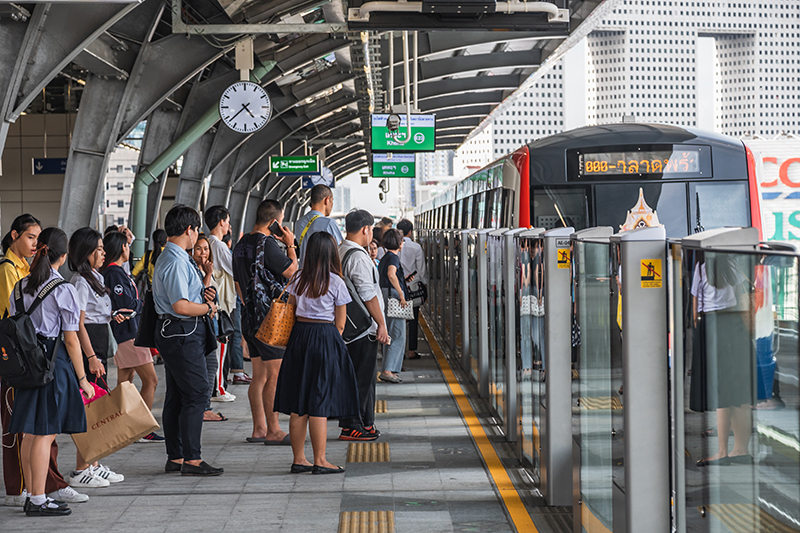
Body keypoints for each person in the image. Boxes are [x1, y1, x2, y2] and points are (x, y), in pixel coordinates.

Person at [7, 227, 96, 516]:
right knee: (45, 434)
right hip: (50, 365)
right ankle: (38, 499)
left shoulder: (19, 286)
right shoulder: (63, 289)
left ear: (41, 249)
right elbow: (71, 339)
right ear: (63, 255)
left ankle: (32, 494)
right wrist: (82, 379)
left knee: (29, 434)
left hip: (24, 366)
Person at [273, 232, 359, 474]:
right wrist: (332, 346)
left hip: (299, 337)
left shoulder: (297, 279)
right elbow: (340, 324)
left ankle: (299, 459)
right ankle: (320, 460)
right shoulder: (336, 282)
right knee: (319, 401)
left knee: (300, 402)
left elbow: (289, 311)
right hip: (325, 338)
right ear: (332, 253)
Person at [153, 204, 223, 476]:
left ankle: (177, 456)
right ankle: (191, 459)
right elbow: (181, 306)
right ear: (189, 230)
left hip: (181, 333)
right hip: (181, 332)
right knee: (196, 393)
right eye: (196, 230)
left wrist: (205, 277)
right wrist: (209, 309)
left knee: (178, 395)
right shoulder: (173, 261)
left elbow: (190, 297)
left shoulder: (180, 258)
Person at [233, 199, 295, 445]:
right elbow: (293, 273)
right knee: (274, 375)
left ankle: (259, 428)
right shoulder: (267, 244)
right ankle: (274, 430)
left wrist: (249, 308)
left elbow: (238, 284)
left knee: (258, 375)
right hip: (271, 318)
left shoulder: (240, 245)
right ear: (275, 222)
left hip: (249, 316)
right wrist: (290, 246)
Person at [67, 228, 125, 488]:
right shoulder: (80, 281)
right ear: (86, 251)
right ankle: (81, 468)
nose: (103, 253)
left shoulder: (94, 277)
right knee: (90, 410)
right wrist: (90, 356)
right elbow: (78, 324)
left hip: (100, 339)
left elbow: (94, 315)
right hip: (90, 344)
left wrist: (112, 316)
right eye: (99, 249)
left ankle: (94, 463)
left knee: (98, 406)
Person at [100, 232, 163, 443]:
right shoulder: (114, 273)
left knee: (125, 382)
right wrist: (142, 305)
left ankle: (120, 425)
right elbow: (126, 303)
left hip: (125, 334)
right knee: (151, 380)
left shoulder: (116, 272)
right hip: (128, 334)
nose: (130, 249)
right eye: (127, 245)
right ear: (120, 249)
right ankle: (141, 428)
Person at [337, 210, 390, 441]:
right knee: (359, 378)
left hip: (351, 327)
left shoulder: (341, 249)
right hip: (361, 329)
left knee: (366, 378)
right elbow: (368, 295)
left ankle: (366, 422)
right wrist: (381, 324)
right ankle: (351, 425)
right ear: (365, 230)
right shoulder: (357, 256)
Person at [205, 205, 249, 386]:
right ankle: (220, 386)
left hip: (215, 301)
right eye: (228, 222)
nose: (229, 226)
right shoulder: (219, 246)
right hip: (224, 302)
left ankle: (219, 384)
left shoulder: (208, 242)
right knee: (225, 344)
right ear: (221, 222)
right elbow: (236, 271)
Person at [192, 234, 231, 421]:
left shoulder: (208, 270)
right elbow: (199, 295)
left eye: (206, 249)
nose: (203, 253)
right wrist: (208, 274)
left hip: (210, 325)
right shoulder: (195, 271)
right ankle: (204, 408)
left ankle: (205, 406)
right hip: (199, 327)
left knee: (211, 365)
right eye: (198, 248)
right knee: (207, 366)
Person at [378, 229, 411, 383]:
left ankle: (388, 368)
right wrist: (401, 293)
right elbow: (391, 274)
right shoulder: (393, 258)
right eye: (402, 241)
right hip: (394, 298)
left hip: (385, 295)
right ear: (399, 243)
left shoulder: (385, 257)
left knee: (390, 333)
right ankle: (388, 370)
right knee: (398, 334)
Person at [396, 219, 427, 360]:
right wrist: (424, 284)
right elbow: (421, 269)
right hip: (413, 288)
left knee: (398, 319)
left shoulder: (394, 245)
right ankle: (411, 351)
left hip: (397, 286)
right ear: (410, 231)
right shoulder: (416, 247)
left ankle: (398, 351)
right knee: (413, 319)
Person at [293, 184, 343, 267]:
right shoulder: (329, 223)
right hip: (323, 274)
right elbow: (340, 251)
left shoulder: (299, 223)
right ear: (327, 200)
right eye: (332, 200)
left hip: (304, 274)